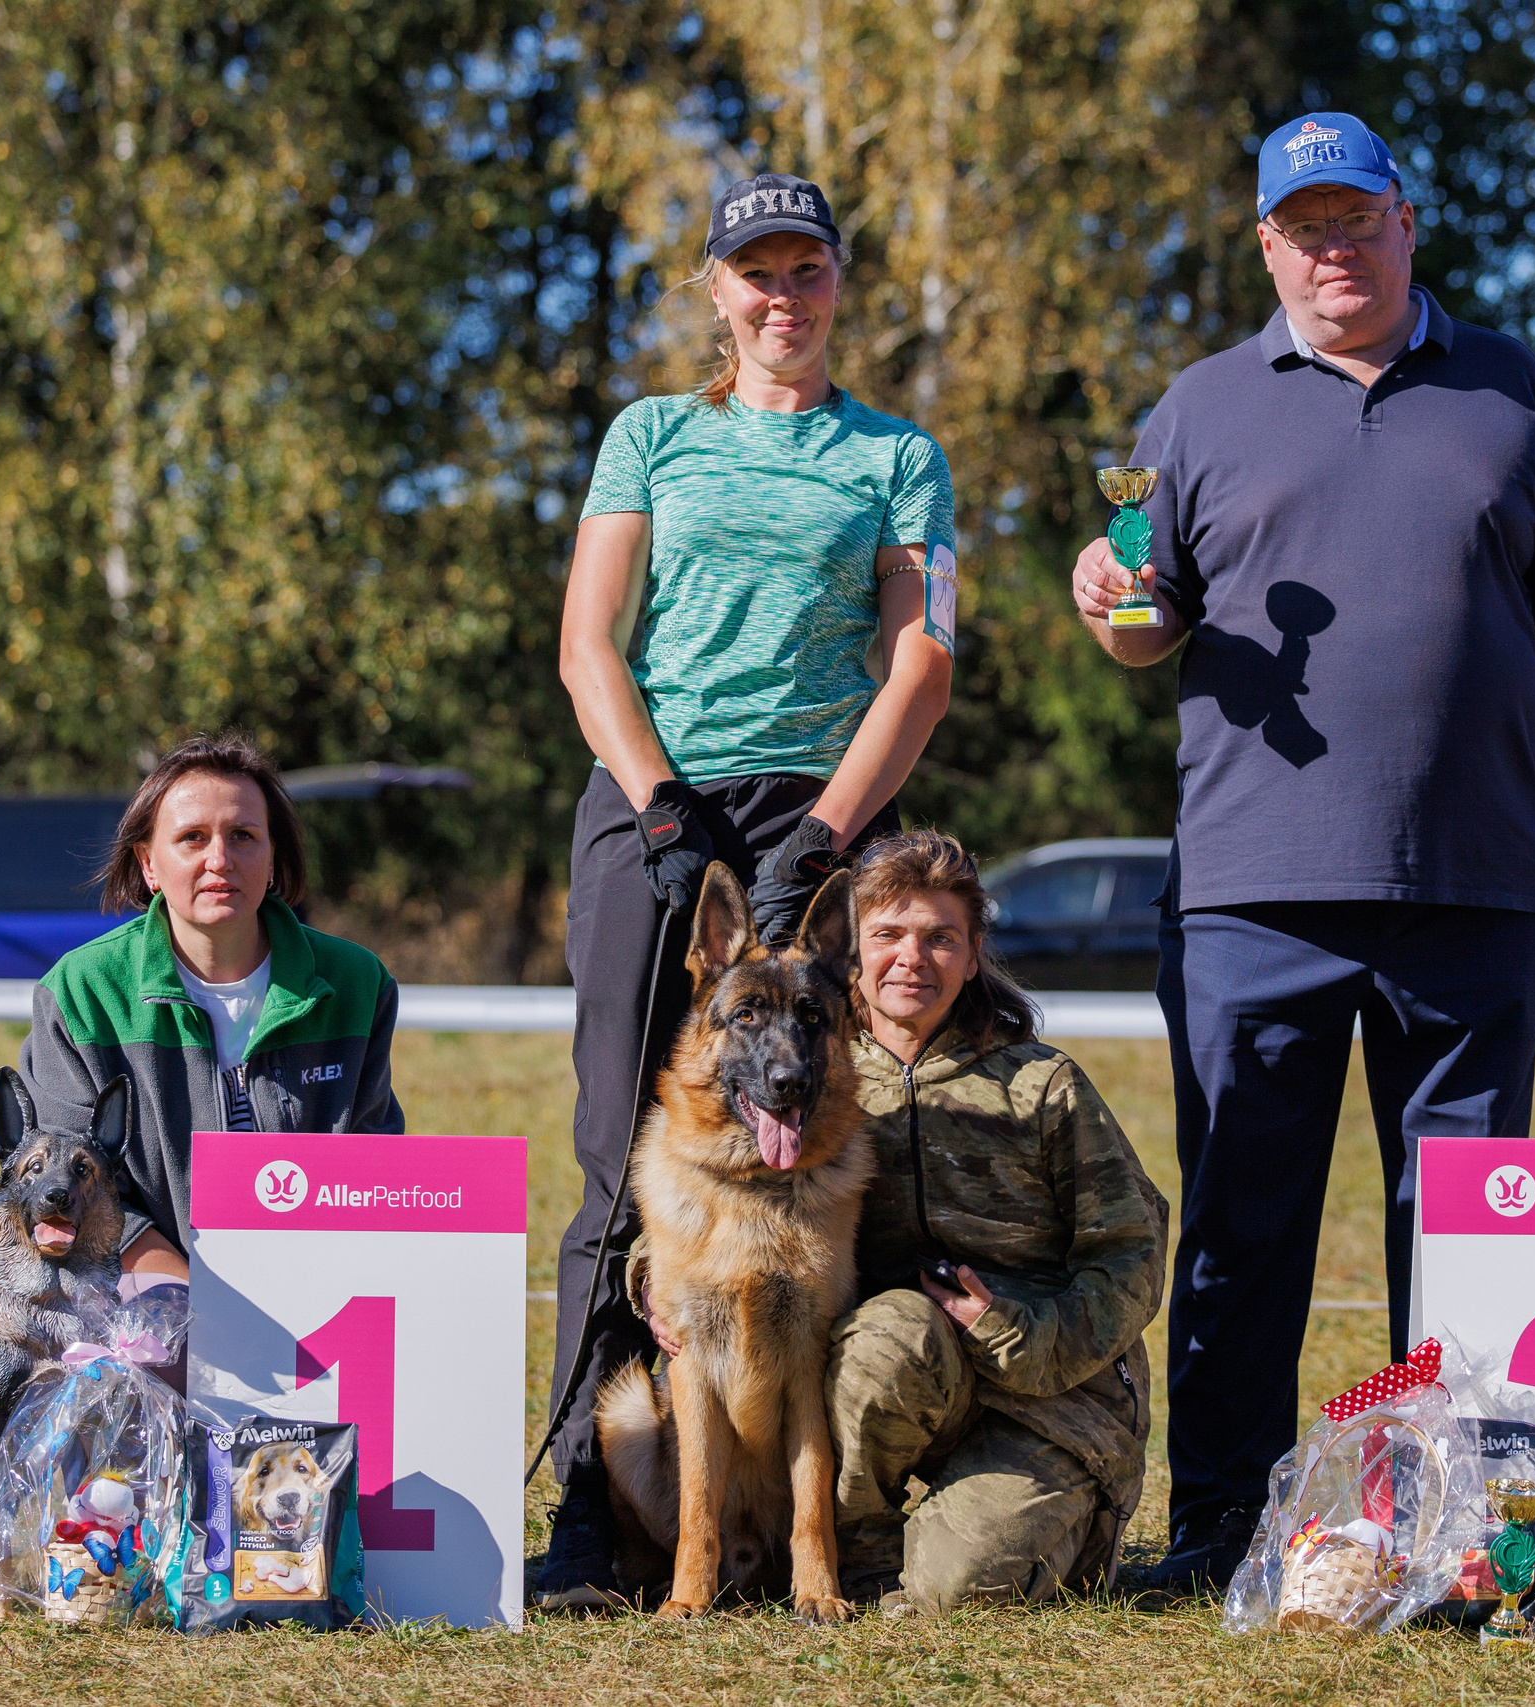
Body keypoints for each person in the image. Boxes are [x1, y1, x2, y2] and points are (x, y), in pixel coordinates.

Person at [1067, 111, 1535, 1593]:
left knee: (1462, 1236)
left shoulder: (1510, 385)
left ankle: (1468, 1539)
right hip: (1252, 888)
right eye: (1302, 226)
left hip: (1480, 874)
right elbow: (1147, 619)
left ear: (1407, 220)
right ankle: (1216, 1529)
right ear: (1266, 242)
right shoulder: (1195, 408)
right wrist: (1111, 601)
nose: (1332, 249)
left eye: (1356, 219)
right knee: (1244, 1230)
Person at [541, 172, 961, 1607]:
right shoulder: (652, 435)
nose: (784, 297)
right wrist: (660, 804)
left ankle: (835, 1509)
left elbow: (921, 657)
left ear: (842, 283)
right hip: (655, 799)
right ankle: (592, 1506)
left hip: (825, 812)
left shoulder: (899, 455)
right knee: (619, 1158)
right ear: (715, 293)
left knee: (838, 1146)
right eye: (756, 274)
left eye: (809, 270)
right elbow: (590, 641)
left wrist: (831, 835)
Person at [630, 830, 1167, 1614]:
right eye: (888, 935)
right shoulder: (833, 1082)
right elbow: (706, 1191)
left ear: (974, 953)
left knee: (961, 1584)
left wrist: (1018, 1332)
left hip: (1045, 1400)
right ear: (858, 956)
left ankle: (1076, 1521)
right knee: (882, 1338)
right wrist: (651, 1277)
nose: (912, 958)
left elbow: (1134, 1259)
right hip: (909, 1376)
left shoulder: (1042, 1086)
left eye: (941, 937)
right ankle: (870, 1554)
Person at [21, 733, 404, 1291]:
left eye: (244, 836)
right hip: (134, 1296)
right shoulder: (81, 992)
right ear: (148, 863)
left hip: (314, 1293)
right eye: (192, 838)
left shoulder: (356, 983)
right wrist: (197, 1310)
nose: (219, 860)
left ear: (274, 859)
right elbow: (63, 1192)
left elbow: (373, 1173)